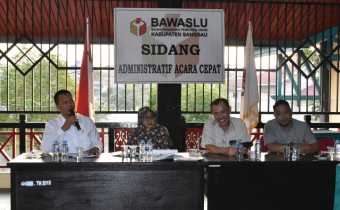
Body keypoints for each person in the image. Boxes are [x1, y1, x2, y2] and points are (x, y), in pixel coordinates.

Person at [41, 90, 102, 155]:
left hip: (86, 162)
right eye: (65, 102)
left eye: (71, 100)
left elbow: (97, 143)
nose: (70, 104)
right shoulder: (52, 125)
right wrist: (63, 129)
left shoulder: (87, 121)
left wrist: (96, 148)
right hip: (64, 163)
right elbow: (45, 149)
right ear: (57, 107)